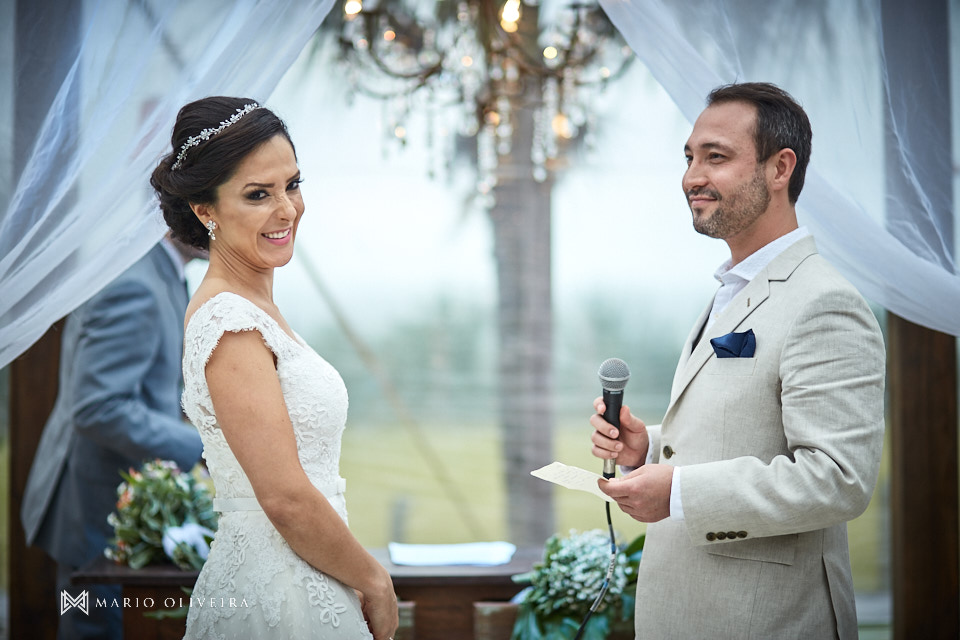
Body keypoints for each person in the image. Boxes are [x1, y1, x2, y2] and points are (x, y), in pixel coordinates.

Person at [589, 82, 885, 639]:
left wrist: (677, 491)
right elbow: (739, 433)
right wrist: (646, 448)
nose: (691, 177)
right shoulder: (734, 288)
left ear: (780, 168)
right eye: (689, 157)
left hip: (766, 622)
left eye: (715, 157)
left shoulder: (824, 302)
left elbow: (838, 478)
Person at [150, 96, 399, 640]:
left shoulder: (255, 309)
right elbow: (284, 497)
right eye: (258, 194)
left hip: (310, 572)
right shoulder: (229, 323)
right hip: (278, 591)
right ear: (205, 210)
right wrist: (375, 580)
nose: (286, 209)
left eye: (292, 183)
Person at [21, 234, 206, 640]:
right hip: (92, 509)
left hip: (113, 502)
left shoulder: (162, 274)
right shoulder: (134, 284)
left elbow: (154, 385)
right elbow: (98, 408)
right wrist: (203, 446)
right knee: (95, 630)